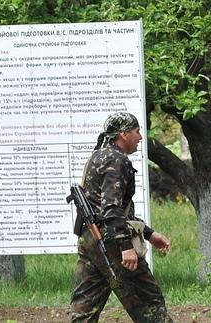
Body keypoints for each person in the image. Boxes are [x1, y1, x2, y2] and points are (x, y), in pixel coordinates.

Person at [70, 112, 173, 323]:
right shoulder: (116, 160)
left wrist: (149, 234)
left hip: (91, 241)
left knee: (84, 310)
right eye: (137, 132)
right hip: (113, 245)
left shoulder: (97, 156)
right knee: (149, 304)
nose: (140, 137)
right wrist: (126, 247)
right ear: (123, 134)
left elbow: (112, 210)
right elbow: (111, 208)